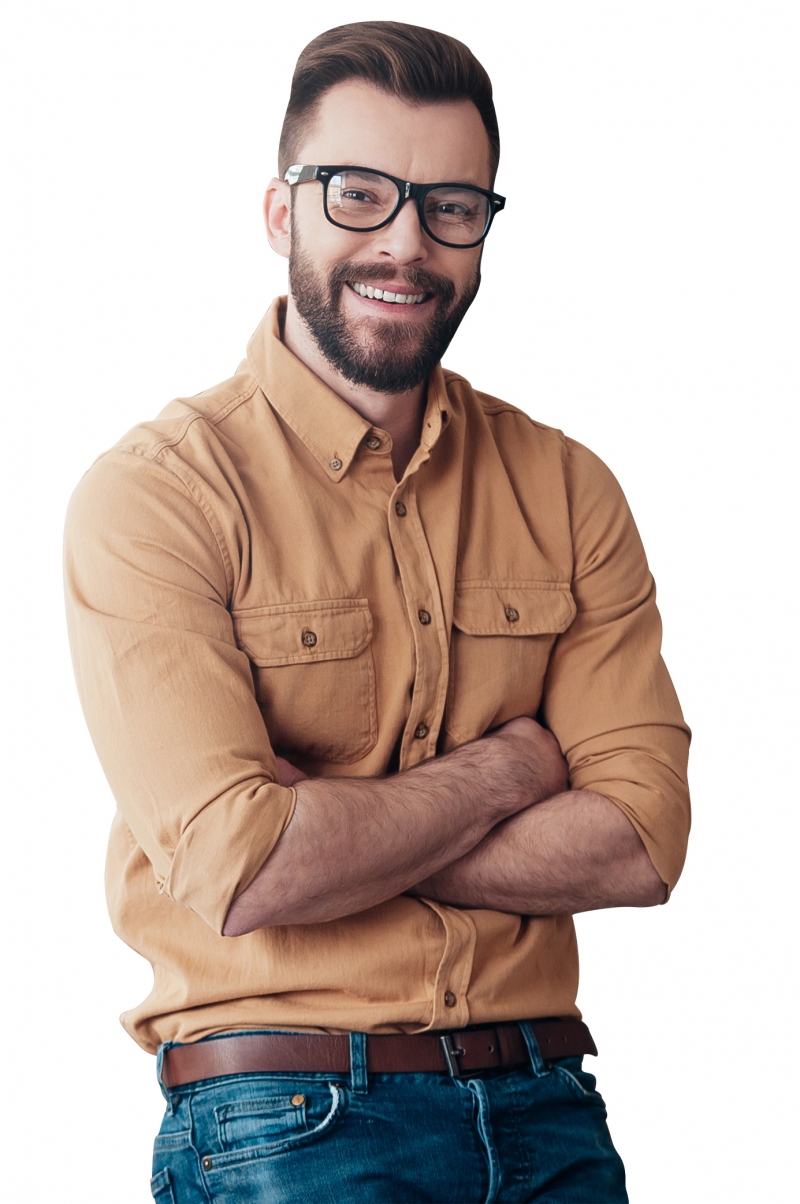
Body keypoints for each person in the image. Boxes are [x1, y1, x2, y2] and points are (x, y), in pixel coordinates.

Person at [64, 20, 690, 1203]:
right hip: (285, 1115)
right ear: (278, 212)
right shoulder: (155, 495)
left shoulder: (567, 488)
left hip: (550, 1102)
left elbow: (640, 840)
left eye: (451, 205)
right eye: (358, 194)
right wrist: (510, 771)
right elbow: (242, 870)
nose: (404, 243)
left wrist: (336, 834)